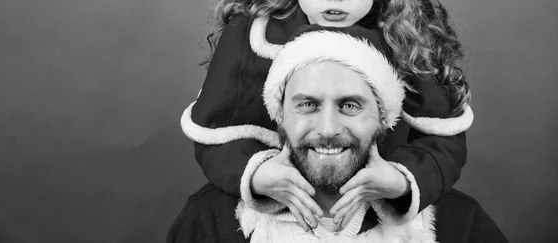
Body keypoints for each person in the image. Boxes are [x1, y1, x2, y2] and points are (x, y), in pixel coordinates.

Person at [180, 0, 474, 230]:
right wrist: (255, 174)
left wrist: (400, 180)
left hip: (375, 217)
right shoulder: (251, 35)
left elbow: (444, 143)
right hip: (278, 213)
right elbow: (214, 134)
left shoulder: (408, 36)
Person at [168, 26, 507, 242]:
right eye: (307, 105)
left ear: (383, 118)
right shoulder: (209, 222)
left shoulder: (457, 224)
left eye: (349, 106)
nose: (328, 130)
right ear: (279, 115)